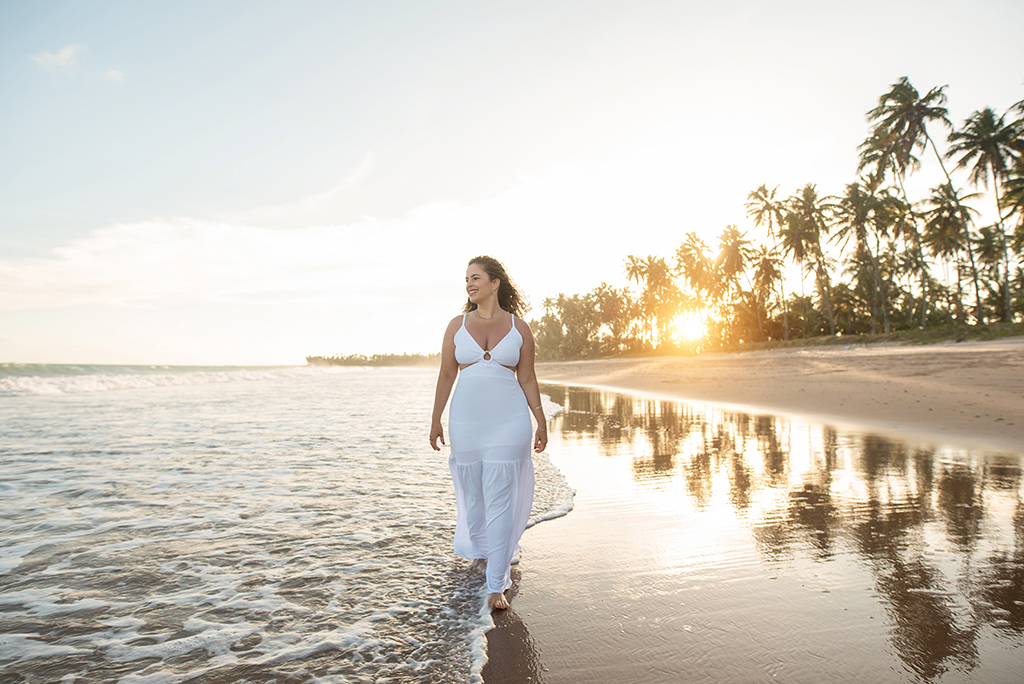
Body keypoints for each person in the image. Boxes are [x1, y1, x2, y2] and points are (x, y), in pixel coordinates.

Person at [430, 255, 548, 611]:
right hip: (466, 422)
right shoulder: (456, 326)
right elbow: (446, 375)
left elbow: (527, 377)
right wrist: (435, 419)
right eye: (467, 279)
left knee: (499, 499)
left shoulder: (519, 328)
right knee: (474, 500)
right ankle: (488, 549)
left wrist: (541, 420)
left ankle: (496, 583)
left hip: (510, 422)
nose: (469, 284)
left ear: (495, 283)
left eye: (476, 277)